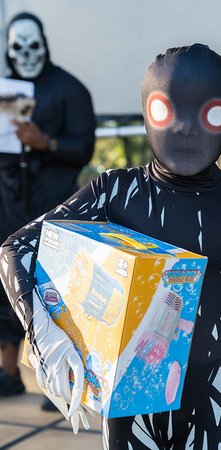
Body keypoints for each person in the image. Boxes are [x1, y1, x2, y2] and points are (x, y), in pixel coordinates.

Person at [0, 44, 221, 448]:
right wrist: (47, 335)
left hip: (211, 403)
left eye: (207, 112)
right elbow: (17, 249)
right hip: (130, 406)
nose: (185, 127)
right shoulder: (116, 191)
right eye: (167, 110)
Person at [0, 12, 95, 401]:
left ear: (45, 44)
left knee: (59, 291)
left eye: (32, 45)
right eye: (16, 48)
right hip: (8, 202)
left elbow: (84, 148)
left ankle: (67, 383)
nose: (25, 54)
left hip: (55, 207)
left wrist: (46, 143)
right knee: (6, 285)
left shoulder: (70, 89)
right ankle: (7, 374)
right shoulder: (4, 89)